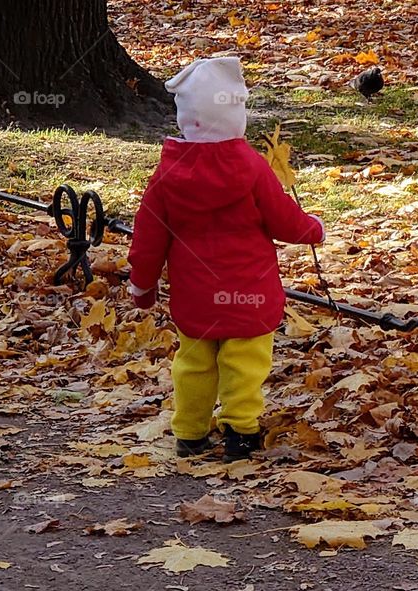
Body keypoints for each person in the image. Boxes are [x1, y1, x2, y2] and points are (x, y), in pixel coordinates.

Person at [127, 56, 324, 461]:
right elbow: (283, 219)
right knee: (245, 364)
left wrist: (142, 285)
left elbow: (149, 236)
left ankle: (190, 432)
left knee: (194, 364)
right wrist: (312, 228)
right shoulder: (251, 167)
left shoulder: (167, 174)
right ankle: (241, 430)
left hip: (194, 295)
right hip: (248, 292)